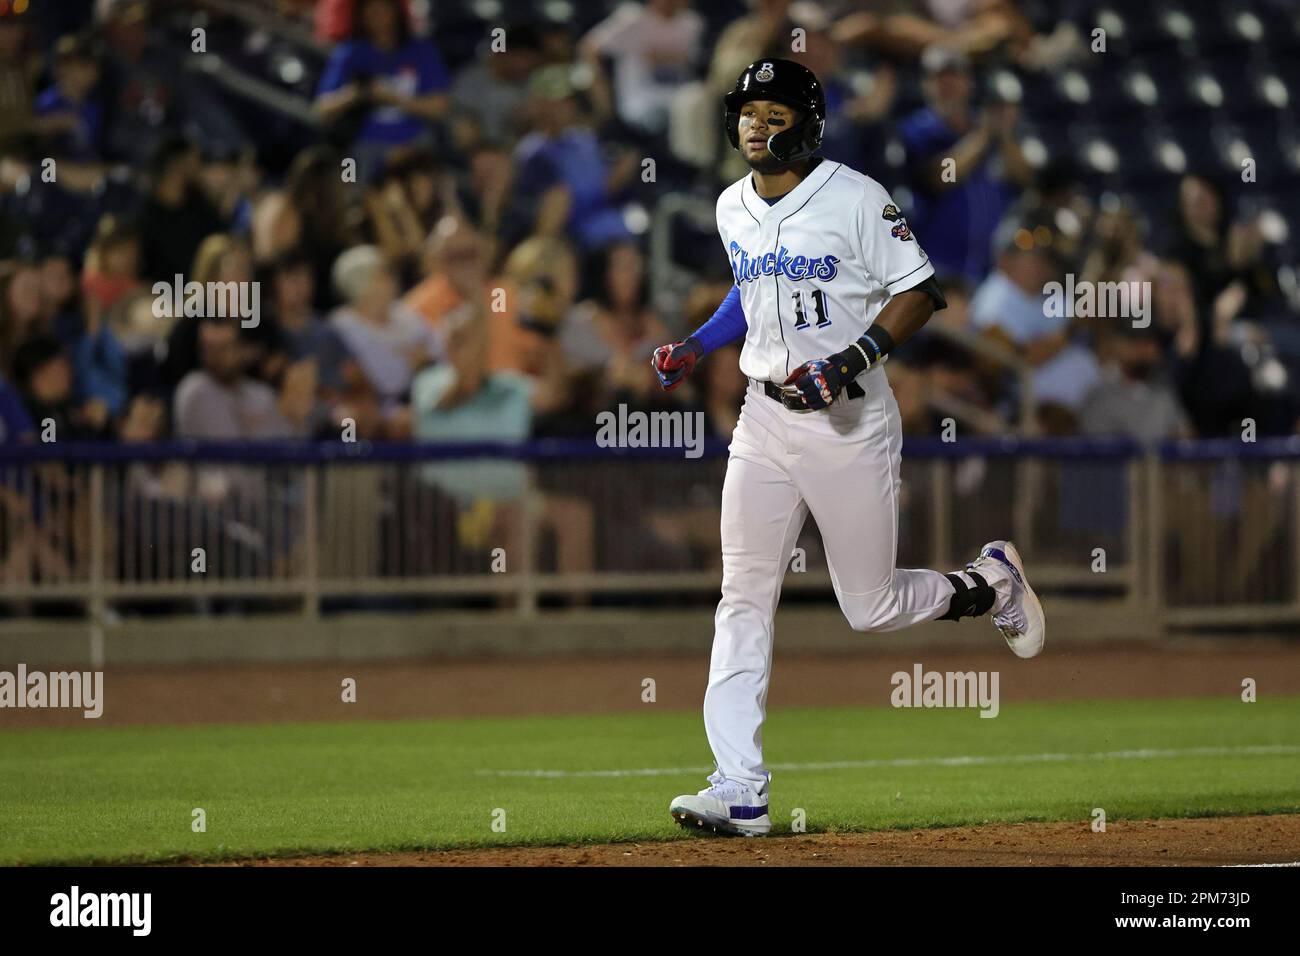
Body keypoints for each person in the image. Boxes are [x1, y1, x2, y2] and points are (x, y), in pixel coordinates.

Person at [650, 59, 1045, 837]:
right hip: (763, 420)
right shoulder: (733, 205)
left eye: (772, 111)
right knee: (742, 594)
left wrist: (851, 360)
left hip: (849, 422)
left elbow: (919, 292)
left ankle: (988, 583)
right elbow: (751, 287)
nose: (755, 124)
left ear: (807, 122)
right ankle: (739, 786)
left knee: (868, 606)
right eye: (746, 111)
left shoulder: (856, 195)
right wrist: (697, 344)